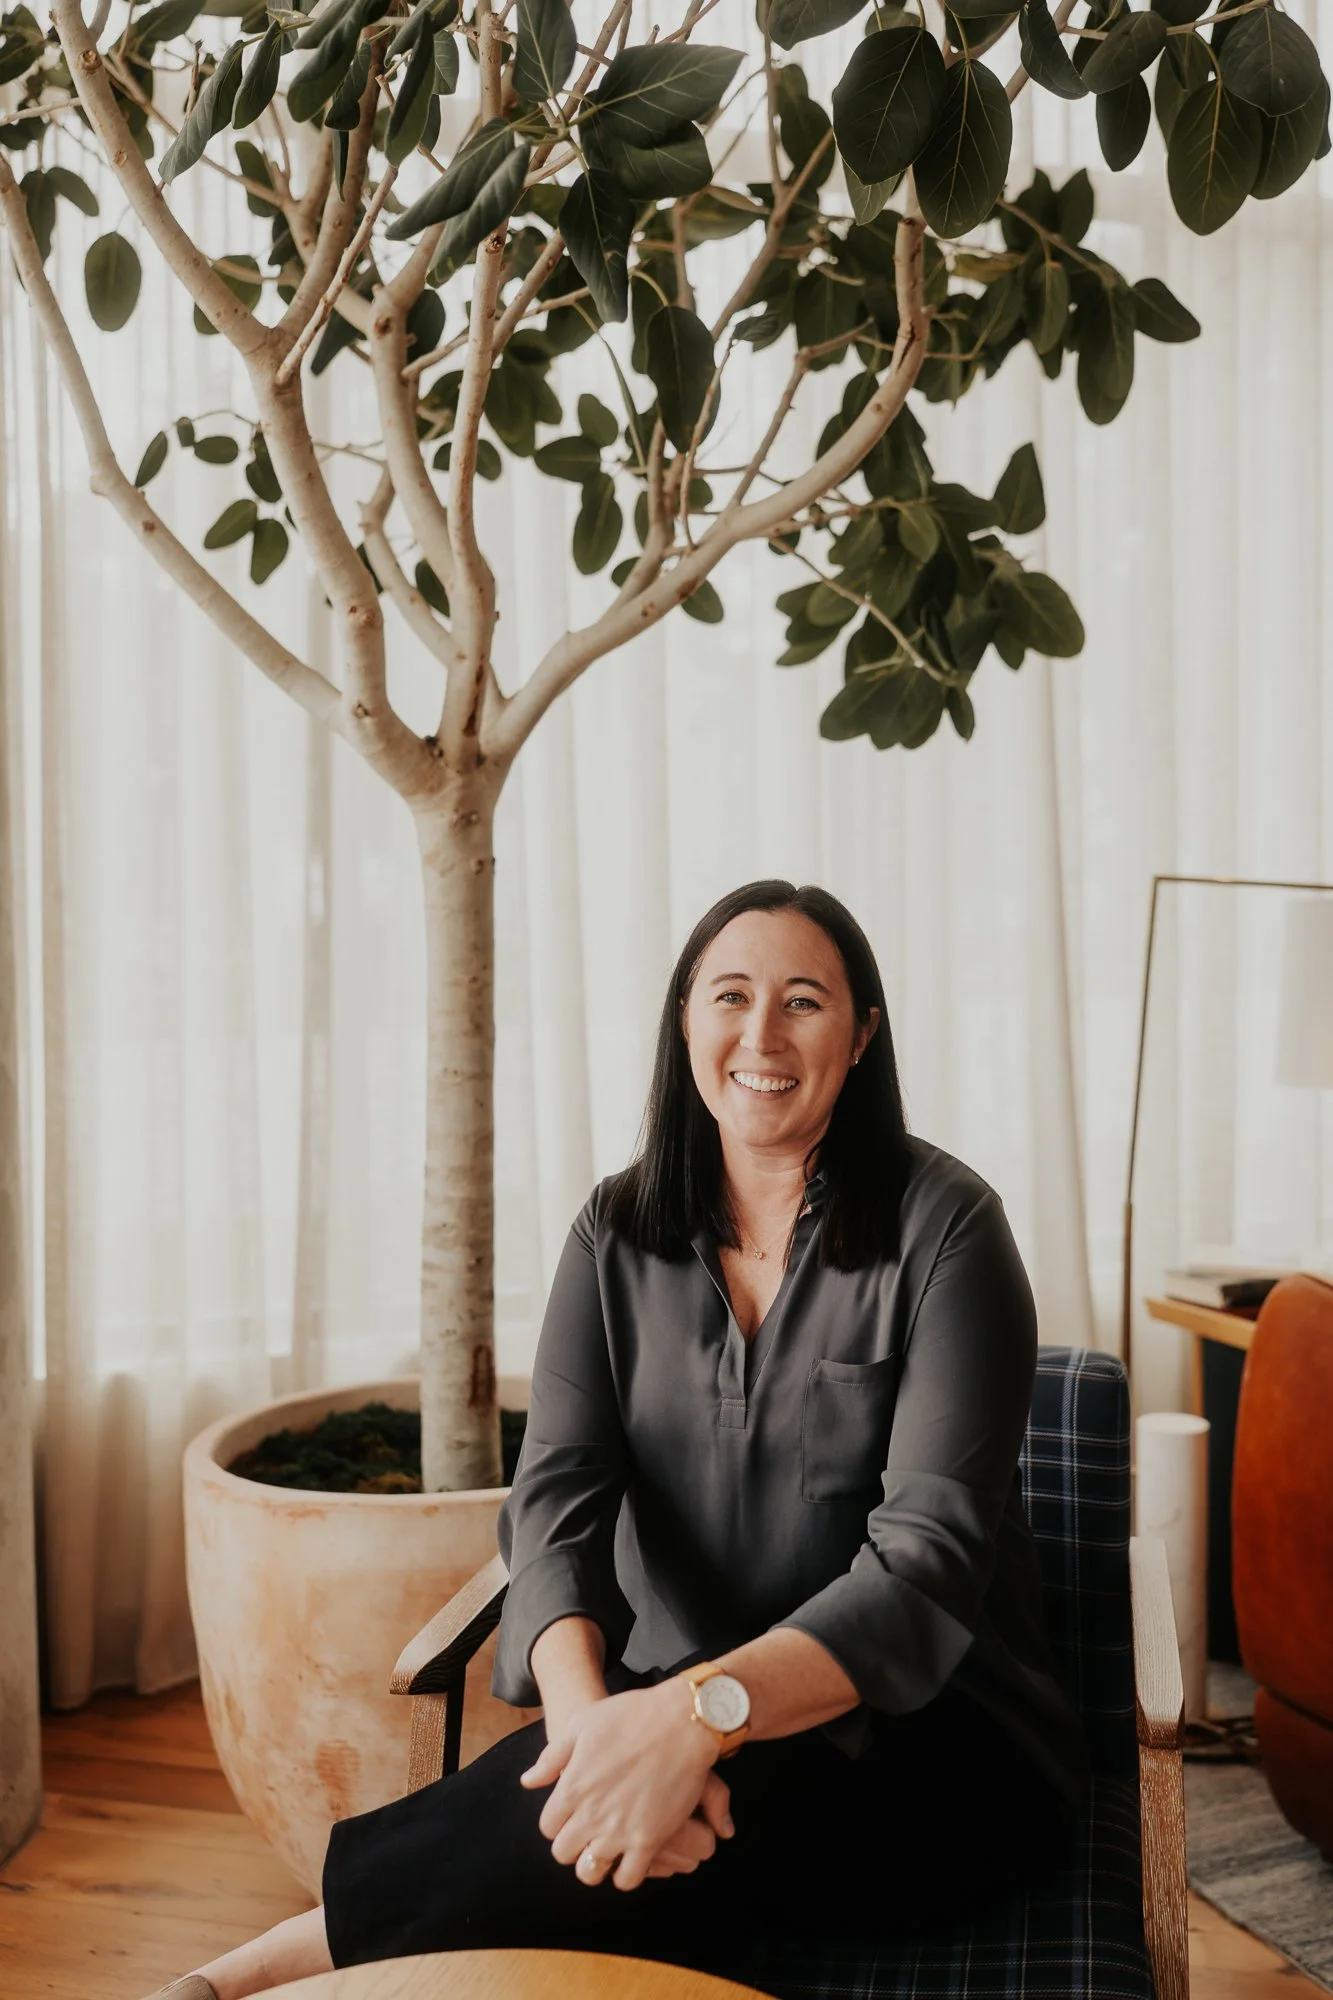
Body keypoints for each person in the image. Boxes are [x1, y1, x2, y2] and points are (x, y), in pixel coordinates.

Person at [147, 879, 1090, 2000]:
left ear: (861, 1035)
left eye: (803, 1001)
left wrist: (698, 1720)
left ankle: (230, 1981)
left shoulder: (950, 1230)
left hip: (932, 1745)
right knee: (624, 1817)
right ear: (683, 1018)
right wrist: (593, 1728)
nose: (761, 1034)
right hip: (664, 1715)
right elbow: (555, 1500)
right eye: (729, 996)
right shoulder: (614, 1229)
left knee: (631, 1828)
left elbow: (922, 1567)